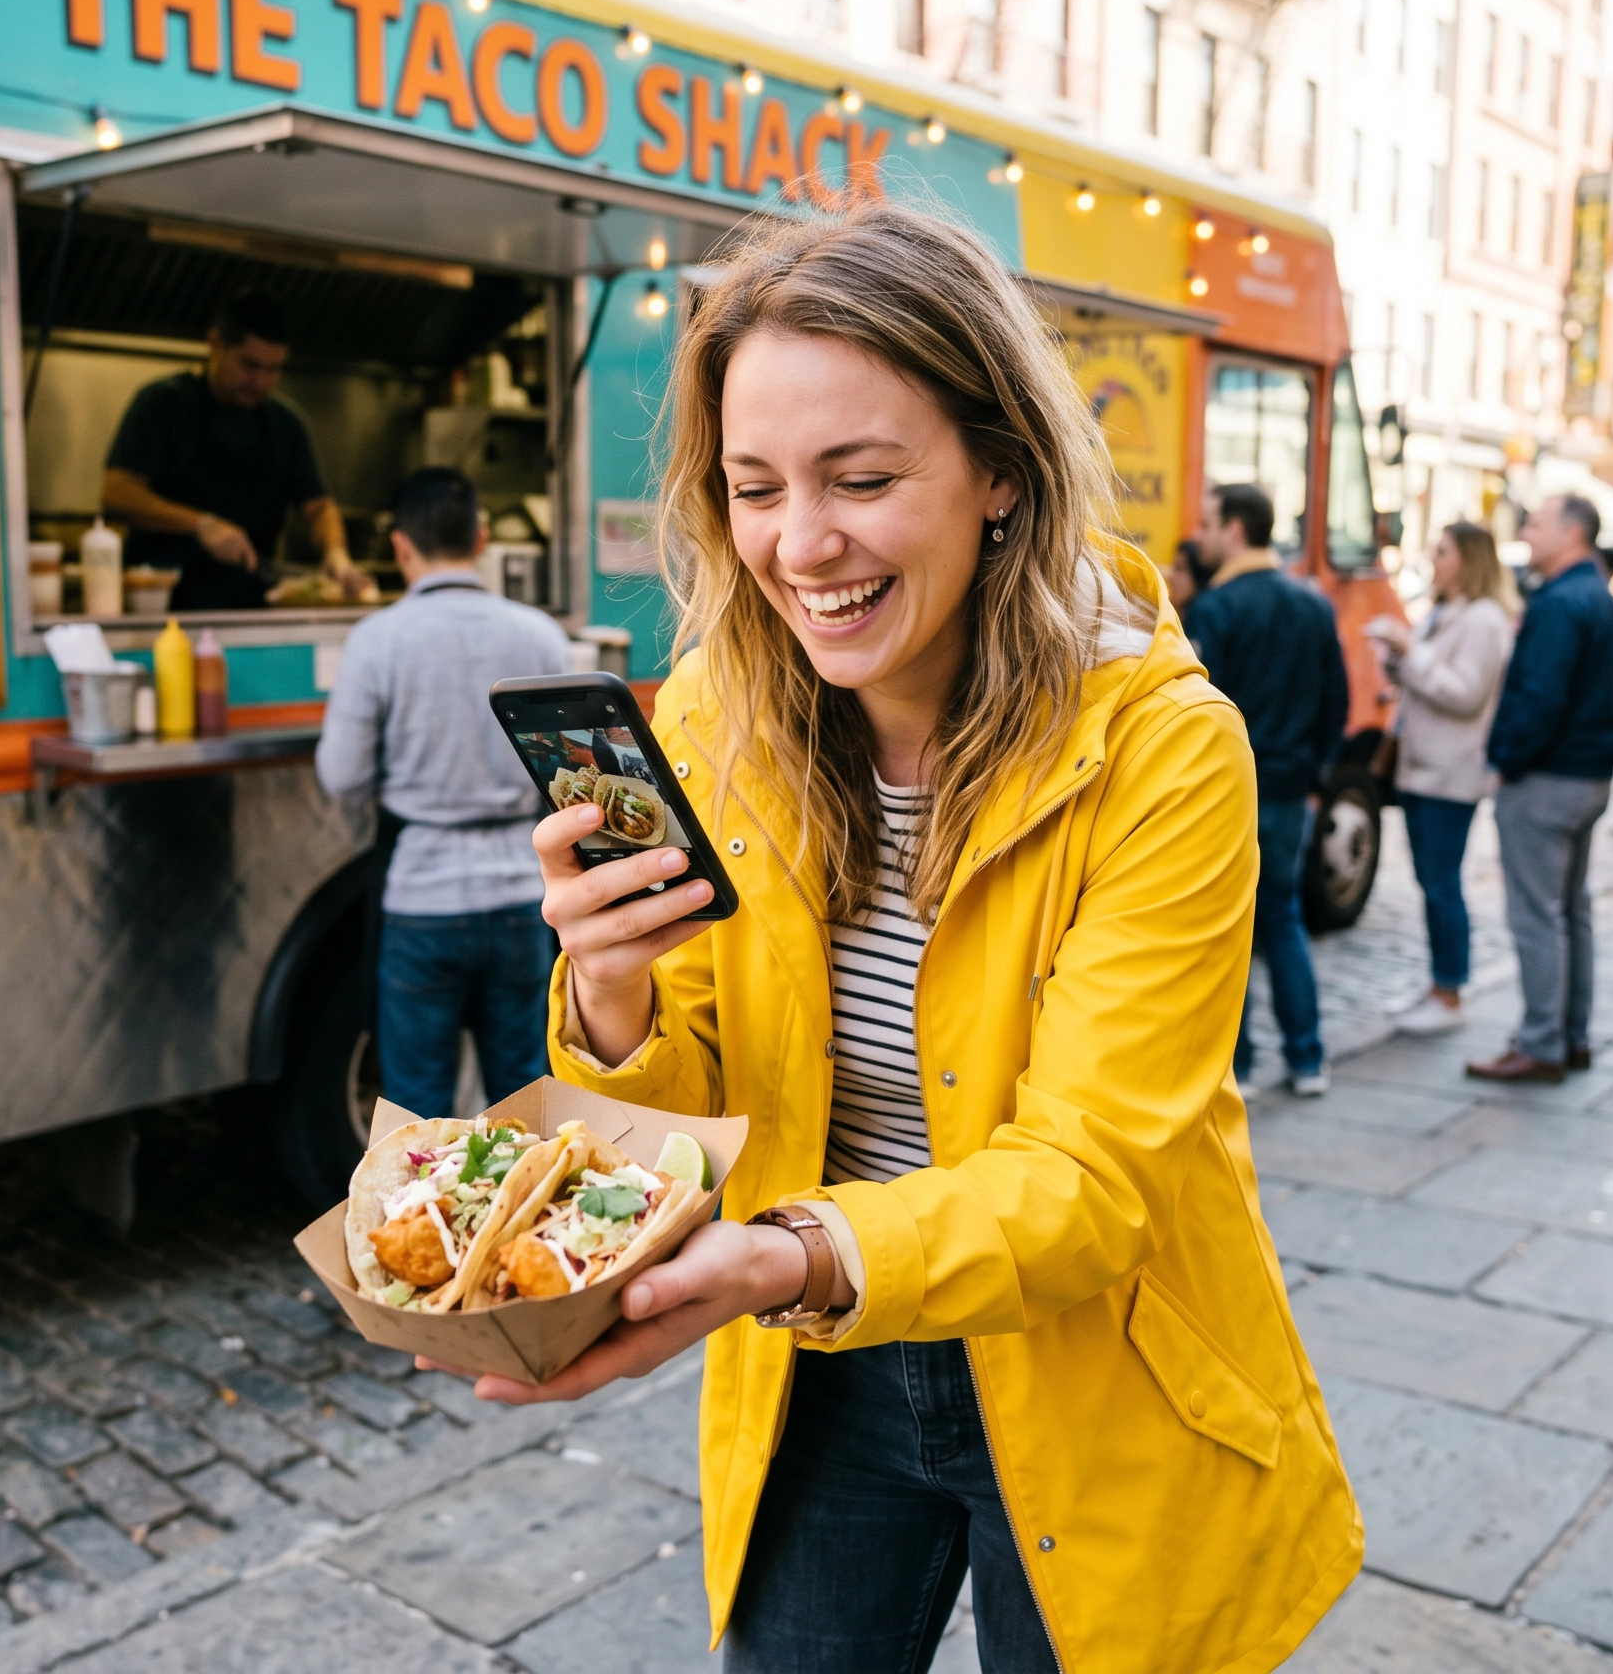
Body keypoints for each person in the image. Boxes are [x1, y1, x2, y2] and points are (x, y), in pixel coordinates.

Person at [439, 204, 1361, 1674]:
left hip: (1095, 1369)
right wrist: (609, 992)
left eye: (861, 478)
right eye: (755, 489)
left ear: (1001, 471)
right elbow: (687, 1133)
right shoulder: (708, 723)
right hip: (821, 1374)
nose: (802, 548)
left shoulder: (1165, 750)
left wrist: (782, 1257)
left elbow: (1093, 1180)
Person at [313, 467, 571, 1116]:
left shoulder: (376, 641)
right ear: (481, 538)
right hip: (521, 896)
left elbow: (340, 775)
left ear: (401, 547)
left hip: (420, 900)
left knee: (418, 1115)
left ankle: (421, 1219)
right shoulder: (540, 635)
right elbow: (566, 771)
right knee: (526, 1101)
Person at [1183, 482, 1350, 1095]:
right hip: (1290, 787)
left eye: (1207, 523)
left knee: (1228, 929)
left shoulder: (1217, 609)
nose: (1199, 535)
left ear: (1235, 529)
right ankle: (1307, 1059)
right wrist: (1318, 778)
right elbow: (1337, 701)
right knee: (1282, 918)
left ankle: (1241, 1066)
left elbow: (1194, 713)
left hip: (1229, 793)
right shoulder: (1311, 603)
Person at [1466, 494, 1613, 1084]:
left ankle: (1542, 1042)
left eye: (1535, 524)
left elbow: (1540, 697)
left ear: (1572, 533)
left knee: (1539, 915)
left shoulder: (1562, 603)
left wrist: (1506, 761)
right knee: (1570, 911)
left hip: (1548, 779)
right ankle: (1570, 1034)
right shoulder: (1599, 597)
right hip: (1586, 775)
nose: (1526, 533)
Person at [102, 289, 371, 610]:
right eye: (250, 365)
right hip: (165, 606)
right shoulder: (162, 404)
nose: (261, 381)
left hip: (252, 605)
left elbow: (318, 507)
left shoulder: (285, 422)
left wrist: (336, 552)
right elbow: (116, 495)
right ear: (215, 344)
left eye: (273, 370)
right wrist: (201, 524)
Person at [1365, 521, 1517, 1036]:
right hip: (1421, 767)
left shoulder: (1484, 619)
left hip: (1450, 773)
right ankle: (1439, 984)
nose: (1434, 559)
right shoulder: (1447, 612)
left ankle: (1450, 991)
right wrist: (1396, 665)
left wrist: (1410, 652)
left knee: (1442, 883)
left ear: (1469, 559)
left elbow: (1464, 692)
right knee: (1430, 881)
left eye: (1444, 551)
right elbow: (1428, 680)